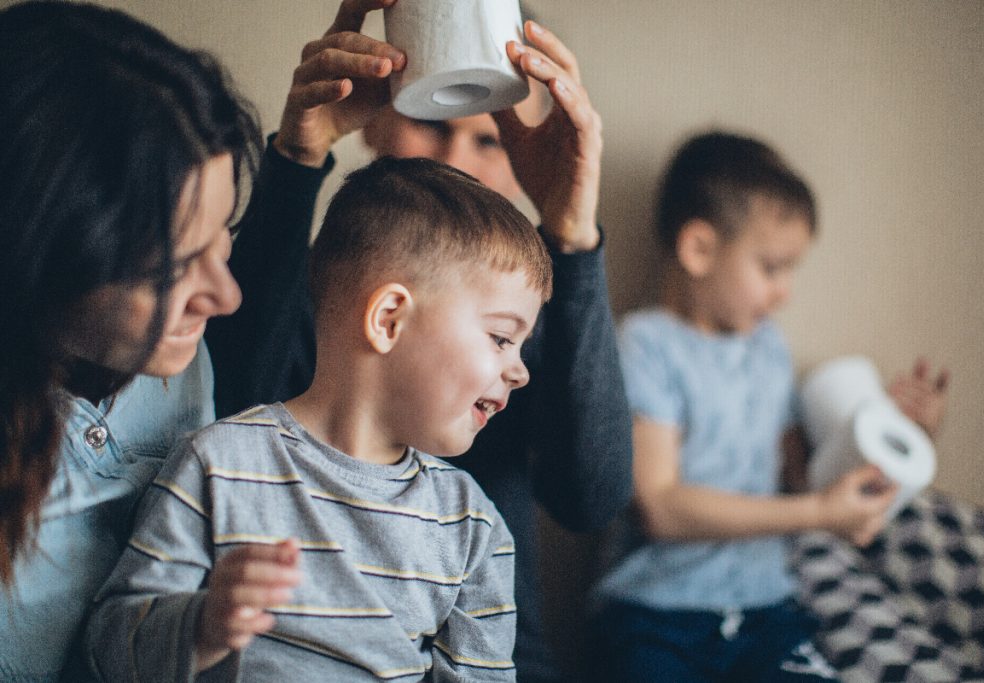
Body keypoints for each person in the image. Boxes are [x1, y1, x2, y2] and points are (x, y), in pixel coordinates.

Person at [202, 2, 633, 679]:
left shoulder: (516, 330)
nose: (459, 157)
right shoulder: (312, 290)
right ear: (377, 119)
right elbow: (229, 411)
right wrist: (297, 154)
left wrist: (571, 234)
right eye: (432, 123)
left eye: (489, 138)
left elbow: (590, 497)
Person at [85, 157, 553, 681]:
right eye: (501, 338)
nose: (518, 371)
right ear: (388, 319)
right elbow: (109, 646)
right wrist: (201, 624)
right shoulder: (218, 465)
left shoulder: (473, 526)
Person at [586, 130, 942, 682]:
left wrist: (896, 436)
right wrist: (817, 515)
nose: (785, 292)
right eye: (772, 268)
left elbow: (796, 477)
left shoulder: (768, 346)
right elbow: (659, 507)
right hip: (656, 610)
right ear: (699, 248)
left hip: (762, 607)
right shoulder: (646, 344)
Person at [0, 2, 260, 679]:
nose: (226, 296)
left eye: (223, 230)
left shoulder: (179, 356)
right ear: (37, 262)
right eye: (174, 266)